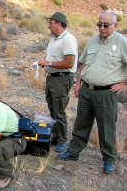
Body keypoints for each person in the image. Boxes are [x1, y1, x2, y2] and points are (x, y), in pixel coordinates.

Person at [57, 10, 127, 174]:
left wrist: (124, 84)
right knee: (81, 123)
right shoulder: (93, 41)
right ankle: (73, 152)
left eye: (106, 25)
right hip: (87, 91)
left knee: (106, 128)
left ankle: (109, 159)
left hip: (106, 93)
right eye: (99, 24)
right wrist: (78, 83)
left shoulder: (122, 42)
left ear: (115, 25)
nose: (102, 28)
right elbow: (83, 63)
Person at [38, 12, 78, 153]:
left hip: (62, 79)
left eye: (51, 22)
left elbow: (69, 62)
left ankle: (62, 141)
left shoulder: (68, 39)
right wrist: (46, 64)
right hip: (53, 78)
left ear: (59, 24)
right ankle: (55, 137)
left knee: (59, 110)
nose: (49, 25)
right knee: (53, 108)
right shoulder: (54, 40)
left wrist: (48, 62)